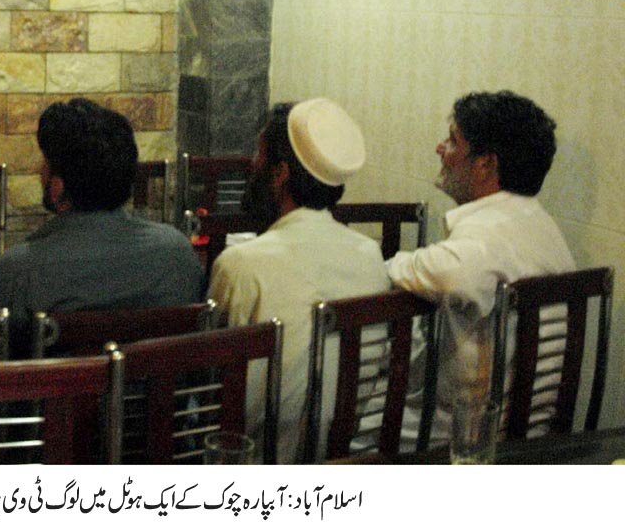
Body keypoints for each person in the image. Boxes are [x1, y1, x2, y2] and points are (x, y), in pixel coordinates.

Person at [206, 98, 389, 463]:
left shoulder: (241, 264)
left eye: (258, 157)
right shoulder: (370, 255)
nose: (251, 166)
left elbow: (215, 383)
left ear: (280, 173)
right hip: (342, 462)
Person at [387, 91, 575, 439]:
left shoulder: (487, 233)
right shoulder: (539, 223)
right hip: (533, 435)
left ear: (486, 164)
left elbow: (453, 274)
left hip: (458, 444)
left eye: (453, 141)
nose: (440, 150)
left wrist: (389, 266)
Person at [0, 98, 203, 355]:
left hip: (57, 395)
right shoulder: (177, 254)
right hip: (163, 394)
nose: (39, 171)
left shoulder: (16, 273)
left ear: (58, 187)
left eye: (44, 162)